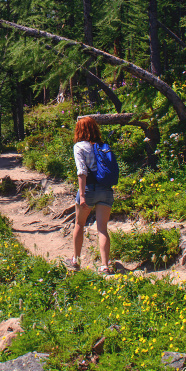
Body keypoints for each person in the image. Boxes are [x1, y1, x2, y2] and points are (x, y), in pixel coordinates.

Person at [67, 116, 114, 273]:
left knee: (79, 224)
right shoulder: (103, 146)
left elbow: (82, 172)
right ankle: (105, 265)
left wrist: (82, 195)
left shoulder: (79, 147)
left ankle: (76, 260)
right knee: (102, 229)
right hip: (106, 190)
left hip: (88, 189)